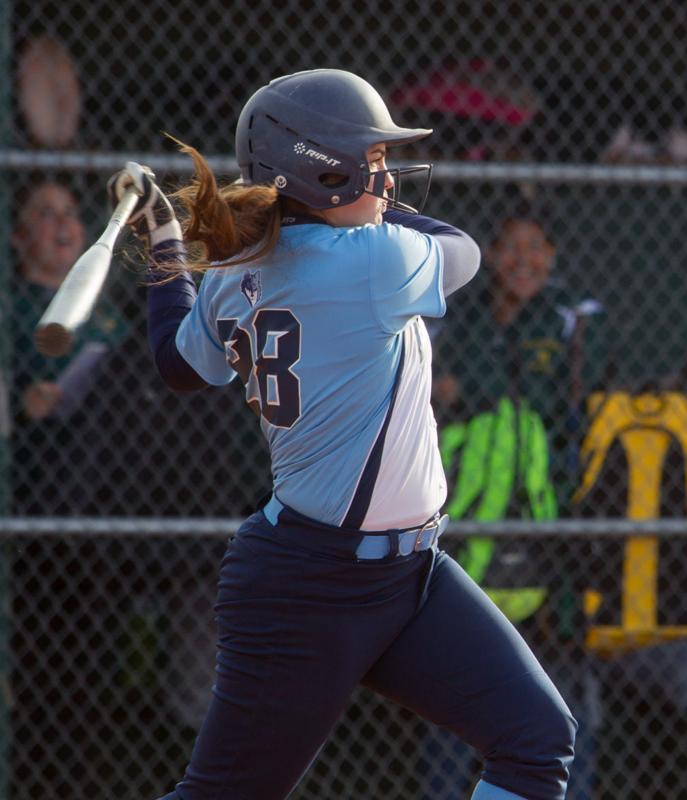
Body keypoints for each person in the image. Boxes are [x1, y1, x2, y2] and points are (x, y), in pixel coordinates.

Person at [109, 69, 575, 800]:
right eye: (372, 163)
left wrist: (169, 250)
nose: (387, 181)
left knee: (535, 740)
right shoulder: (374, 260)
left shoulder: (237, 272)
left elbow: (178, 364)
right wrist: (345, 213)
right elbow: (465, 250)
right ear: (319, 171)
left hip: (410, 576)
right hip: (312, 583)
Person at [427, 205, 606, 798]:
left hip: (549, 528)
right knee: (461, 687)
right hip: (470, 519)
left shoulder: (571, 319)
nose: (522, 261)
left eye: (536, 248)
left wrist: (471, 393)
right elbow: (438, 389)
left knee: (559, 689)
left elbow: (567, 410)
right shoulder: (465, 314)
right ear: (490, 256)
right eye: (510, 247)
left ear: (552, 256)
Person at [10, 177, 128, 513]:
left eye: (70, 213)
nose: (63, 223)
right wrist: (24, 404)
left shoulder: (103, 311)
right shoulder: (12, 307)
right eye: (46, 214)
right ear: (18, 236)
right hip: (45, 461)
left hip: (109, 454)